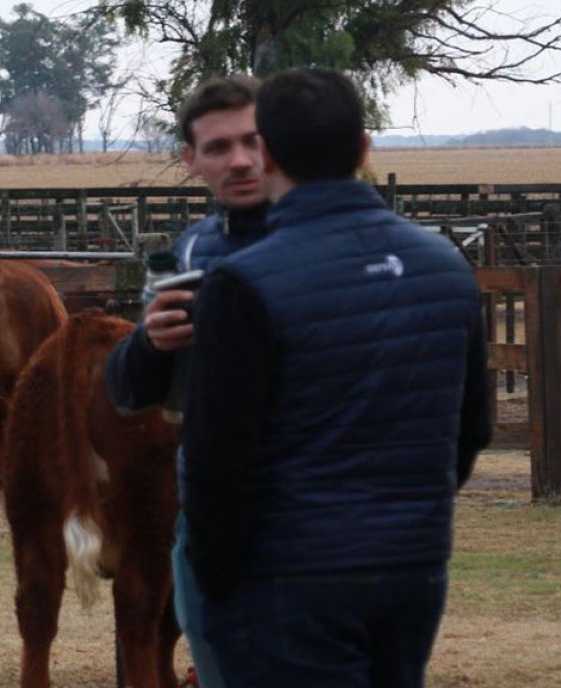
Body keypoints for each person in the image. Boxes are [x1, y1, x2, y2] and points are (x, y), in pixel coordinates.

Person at [180, 66, 493, 687]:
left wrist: (215, 583)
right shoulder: (444, 266)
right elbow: (472, 426)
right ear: (365, 148)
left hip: (288, 573)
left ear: (265, 152)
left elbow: (219, 458)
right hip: (414, 565)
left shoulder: (243, 282)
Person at [103, 74, 271, 688]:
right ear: (191, 160)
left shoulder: (330, 244)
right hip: (206, 515)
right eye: (219, 147)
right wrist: (150, 341)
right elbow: (128, 392)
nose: (242, 160)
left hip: (314, 512)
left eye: (254, 141)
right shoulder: (191, 252)